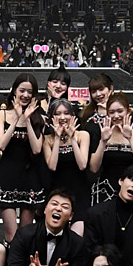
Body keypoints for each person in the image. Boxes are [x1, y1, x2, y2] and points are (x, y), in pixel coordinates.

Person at [0, 73, 47, 241]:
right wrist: (16, 119)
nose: (25, 95)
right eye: (22, 90)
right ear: (14, 91)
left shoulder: (40, 118)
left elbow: (37, 149)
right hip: (7, 177)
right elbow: (1, 145)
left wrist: (28, 120)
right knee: (11, 234)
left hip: (29, 178)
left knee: (26, 234)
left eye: (30, 92)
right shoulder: (1, 115)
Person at [88, 93, 133, 205]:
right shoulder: (100, 134)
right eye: (112, 112)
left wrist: (130, 139)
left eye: (120, 111)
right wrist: (103, 141)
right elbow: (94, 168)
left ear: (128, 111)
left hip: (130, 190)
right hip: (105, 189)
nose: (116, 116)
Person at [44, 100, 92, 236]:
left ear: (72, 116)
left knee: (78, 236)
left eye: (66, 113)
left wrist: (72, 139)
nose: (62, 117)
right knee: (57, 234)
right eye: (57, 114)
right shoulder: (47, 139)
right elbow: (52, 166)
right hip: (57, 190)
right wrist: (57, 138)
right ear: (51, 117)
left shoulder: (83, 135)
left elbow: (82, 165)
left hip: (79, 191)